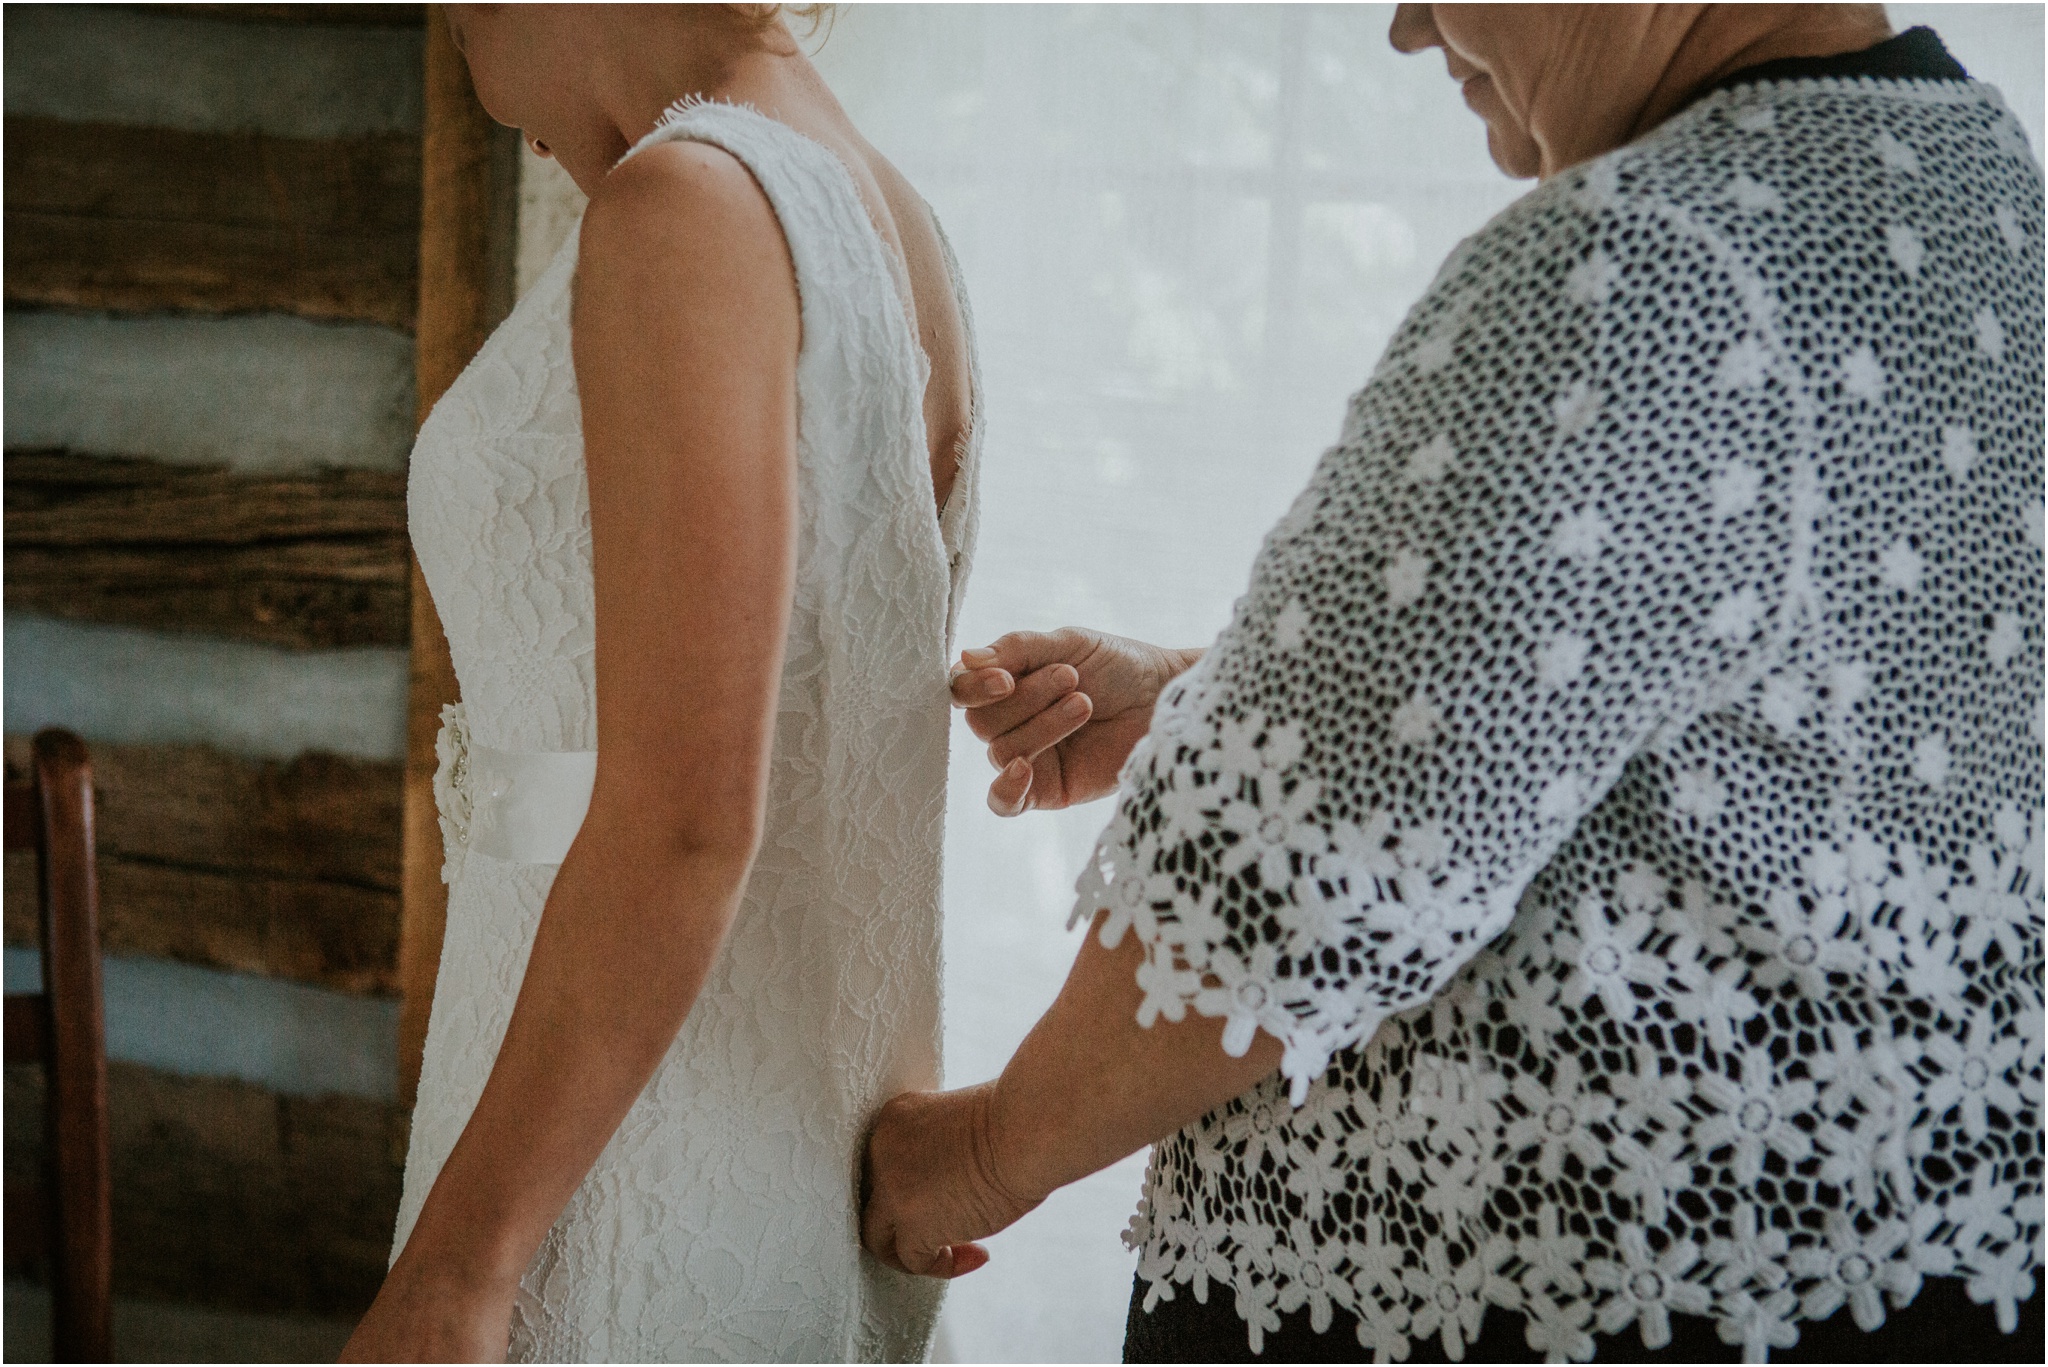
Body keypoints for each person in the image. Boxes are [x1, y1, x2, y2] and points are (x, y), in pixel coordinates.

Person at [862, 4, 2043, 1362]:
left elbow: (1307, 873)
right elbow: (1776, 708)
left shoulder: (1648, 256)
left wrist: (983, 1151)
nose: (1410, 26)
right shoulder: (1973, 176)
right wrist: (1217, 696)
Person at [342, 4, 982, 1360]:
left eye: (457, 32)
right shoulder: (902, 223)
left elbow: (684, 820)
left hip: (609, 1176)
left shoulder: (685, 209)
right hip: (785, 1144)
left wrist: (461, 1265)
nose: (472, 70)